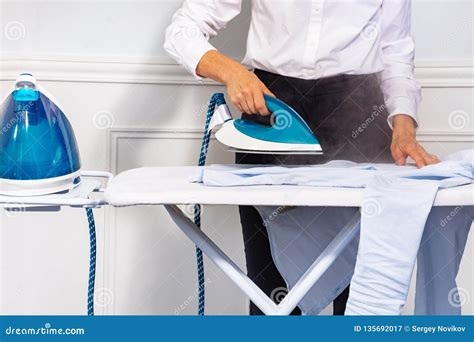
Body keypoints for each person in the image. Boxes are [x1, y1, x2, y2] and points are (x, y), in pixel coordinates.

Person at [164, 0, 440, 315]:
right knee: (272, 294)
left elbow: (396, 51)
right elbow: (182, 30)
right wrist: (233, 72)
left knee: (363, 298)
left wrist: (403, 127)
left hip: (359, 116)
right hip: (273, 109)